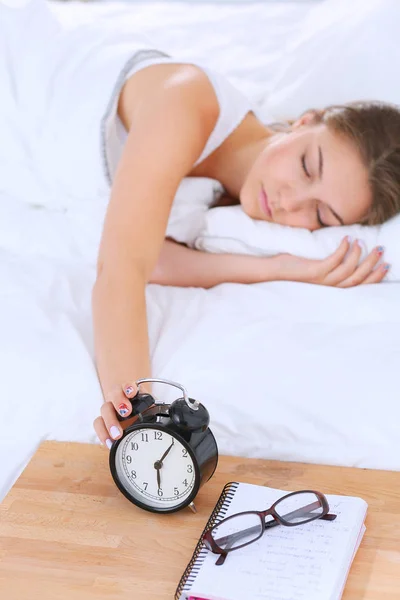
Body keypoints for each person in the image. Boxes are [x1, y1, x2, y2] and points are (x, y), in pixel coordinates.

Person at [7, 0, 398, 447]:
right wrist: (140, 412)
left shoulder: (225, 198)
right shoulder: (186, 104)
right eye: (308, 166)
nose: (290, 203)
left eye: (320, 215)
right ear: (305, 121)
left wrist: (285, 268)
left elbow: (157, 260)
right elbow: (123, 272)